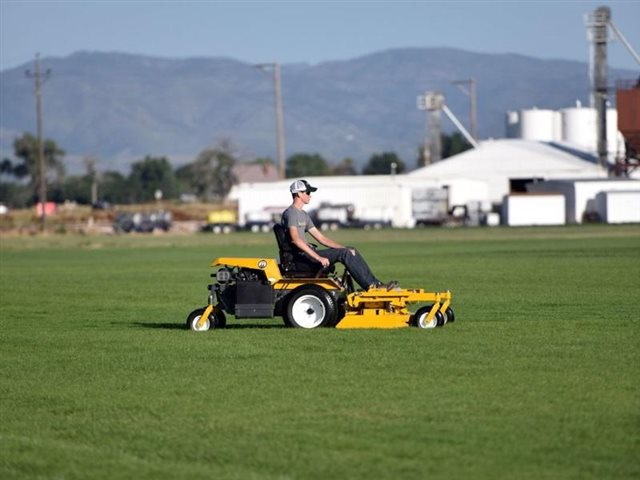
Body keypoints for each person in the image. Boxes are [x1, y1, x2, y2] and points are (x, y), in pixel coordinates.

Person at [281, 179, 398, 290]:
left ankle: (375, 284)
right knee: (345, 254)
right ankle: (373, 286)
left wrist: (345, 248)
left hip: (307, 254)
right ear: (299, 194)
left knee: (350, 251)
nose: (310, 195)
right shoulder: (291, 213)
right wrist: (319, 258)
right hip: (300, 259)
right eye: (307, 192)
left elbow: (321, 238)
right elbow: (296, 240)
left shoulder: (303, 214)